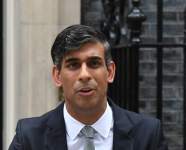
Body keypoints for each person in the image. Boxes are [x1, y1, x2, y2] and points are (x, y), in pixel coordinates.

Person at [9, 24, 168, 150]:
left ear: (110, 72)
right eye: (73, 65)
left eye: (94, 63)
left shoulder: (148, 135)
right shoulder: (29, 138)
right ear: (57, 76)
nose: (84, 75)